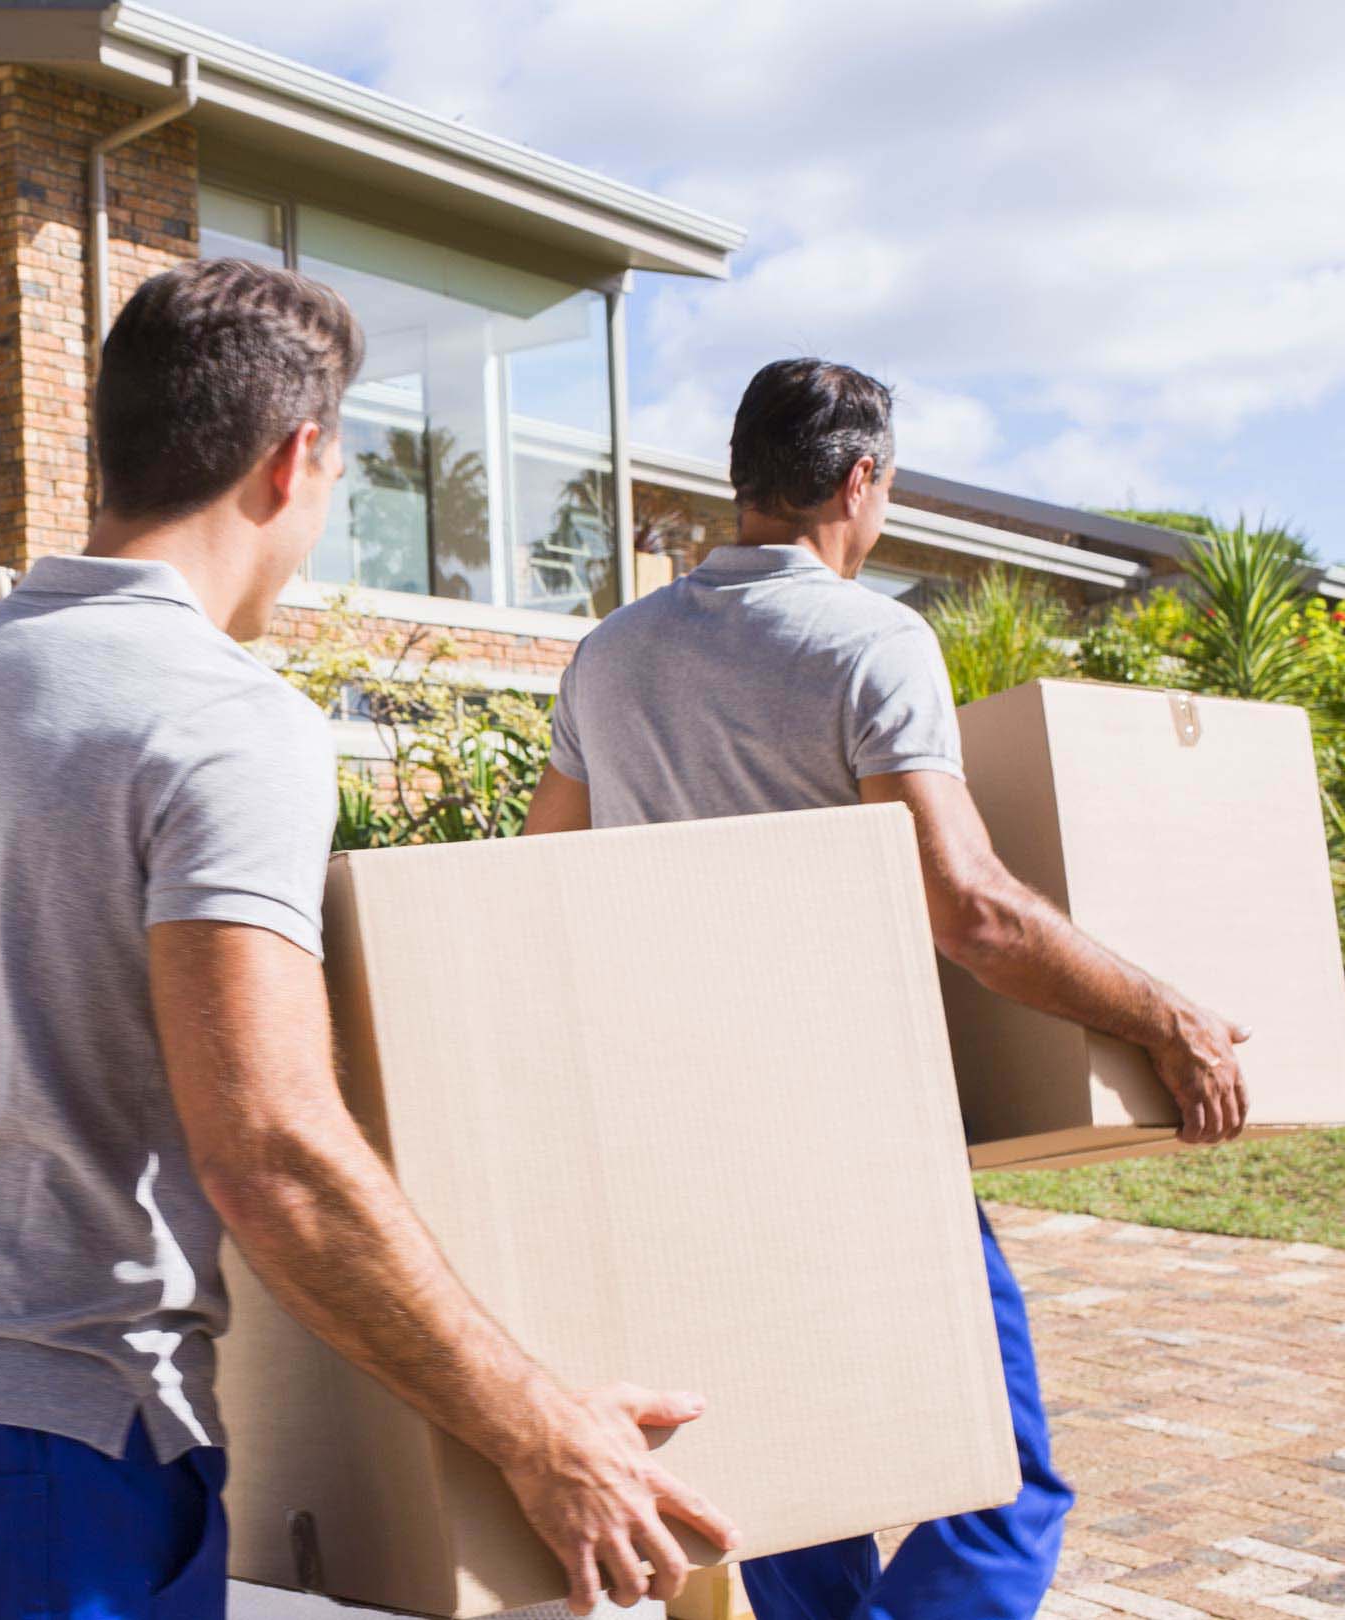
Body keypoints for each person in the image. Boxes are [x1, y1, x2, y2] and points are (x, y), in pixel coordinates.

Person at [0, 259, 740, 1620]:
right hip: (60, 1449)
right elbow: (273, 1148)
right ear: (295, 458)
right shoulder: (218, 714)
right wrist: (540, 1431)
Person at [519, 357, 1248, 1620]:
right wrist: (1165, 1018)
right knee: (1003, 1483)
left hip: (681, 1141)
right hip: (851, 1140)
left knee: (800, 1493)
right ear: (863, 481)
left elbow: (540, 883)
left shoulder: (610, 659)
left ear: (742, 481)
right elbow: (969, 906)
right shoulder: (871, 642)